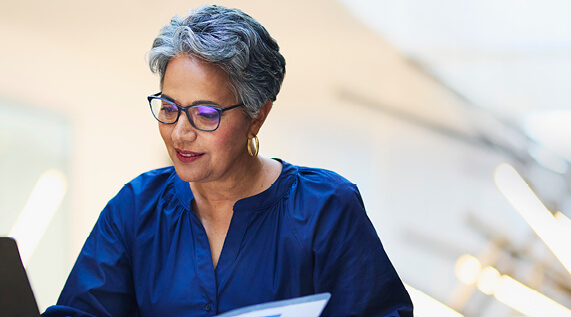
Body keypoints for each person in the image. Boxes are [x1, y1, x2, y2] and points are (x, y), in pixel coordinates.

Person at [43, 5, 413, 317]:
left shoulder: (325, 210)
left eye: (205, 114)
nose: (180, 133)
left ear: (257, 116)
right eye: (169, 108)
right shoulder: (136, 210)